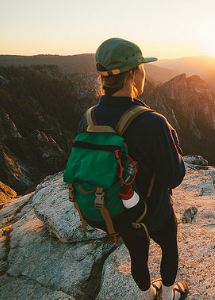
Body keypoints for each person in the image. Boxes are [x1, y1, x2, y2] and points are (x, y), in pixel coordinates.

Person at [78, 38, 188, 300]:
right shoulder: (152, 122)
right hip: (153, 212)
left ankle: (148, 296)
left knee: (137, 256)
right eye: (141, 67)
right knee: (169, 248)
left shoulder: (89, 117)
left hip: (114, 210)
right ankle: (170, 295)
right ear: (133, 74)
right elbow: (174, 176)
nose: (143, 72)